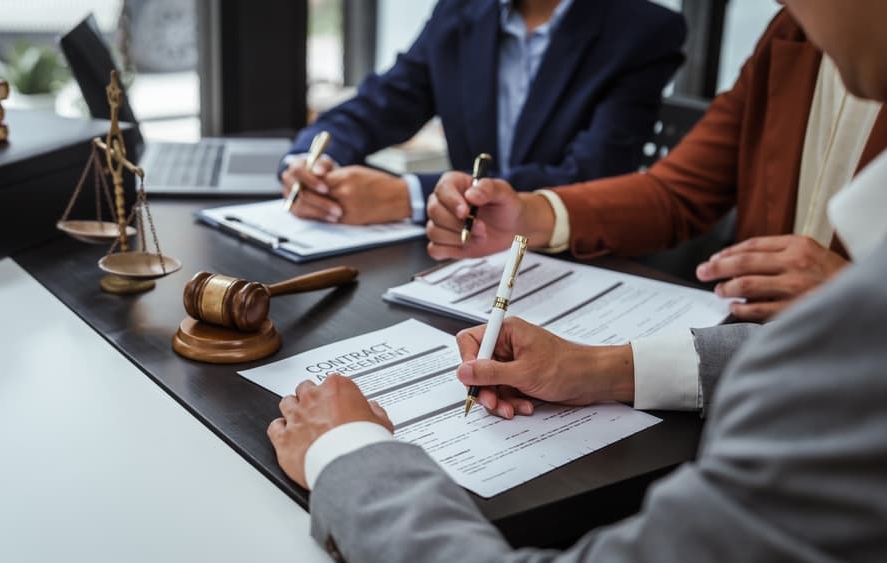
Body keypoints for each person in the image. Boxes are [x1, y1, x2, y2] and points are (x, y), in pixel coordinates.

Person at [267, 2, 887, 559]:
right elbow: (680, 183)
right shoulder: (793, 35)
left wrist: (346, 454)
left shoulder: (853, 361)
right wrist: (603, 367)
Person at [426, 8, 886, 323]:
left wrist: (864, 302)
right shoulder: (790, 32)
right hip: (752, 366)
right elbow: (678, 191)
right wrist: (531, 215)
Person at [280, 0, 686, 225]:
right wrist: (312, 162)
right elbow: (383, 102)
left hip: (576, 257)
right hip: (463, 252)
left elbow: (590, 176)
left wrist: (409, 197)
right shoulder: (459, 12)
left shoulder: (642, 30)